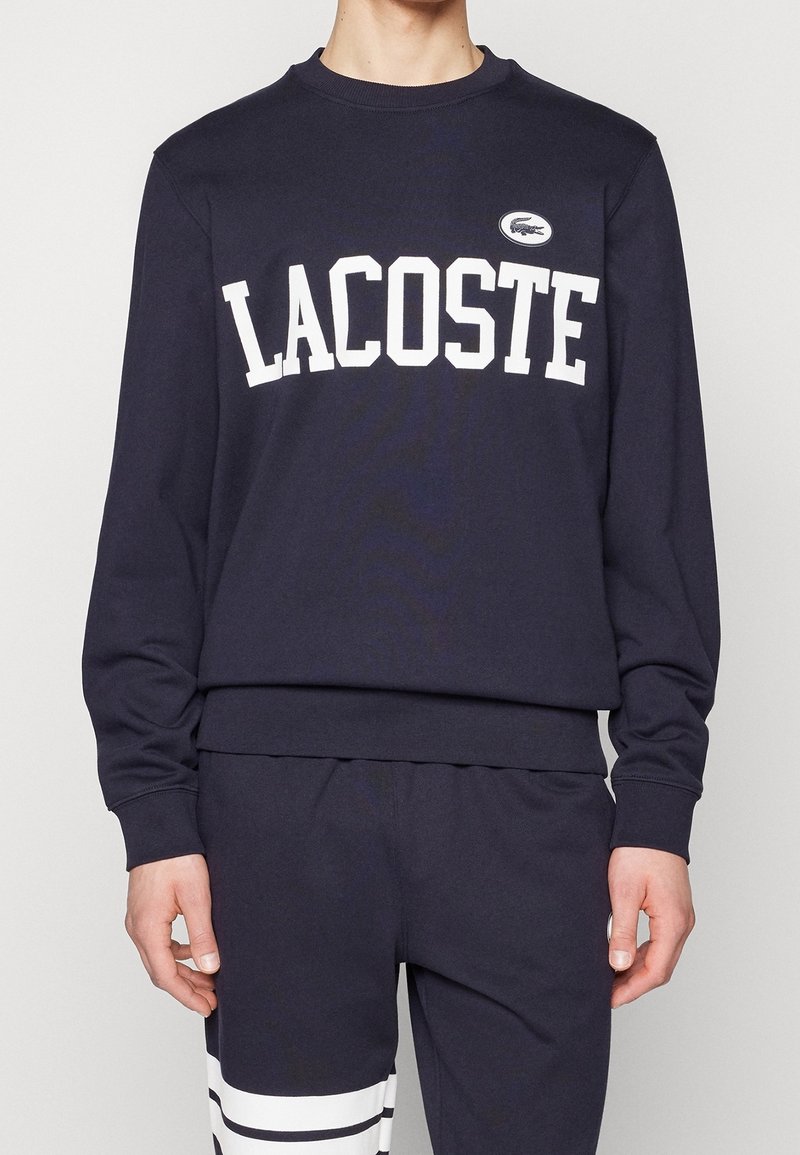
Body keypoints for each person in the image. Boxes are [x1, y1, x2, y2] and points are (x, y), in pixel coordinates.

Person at [81, 1, 721, 1151]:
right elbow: (154, 524)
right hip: (272, 803)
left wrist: (658, 808)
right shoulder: (208, 174)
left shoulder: (602, 166)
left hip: (530, 804)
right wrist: (154, 814)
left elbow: (656, 512)